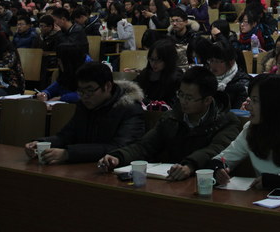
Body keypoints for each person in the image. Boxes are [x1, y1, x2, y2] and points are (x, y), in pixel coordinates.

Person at [98, 66, 241, 180]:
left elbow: (214, 150)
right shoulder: (171, 117)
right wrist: (118, 157)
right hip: (172, 180)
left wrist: (189, 166)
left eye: (189, 98)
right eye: (181, 94)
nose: (183, 101)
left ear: (207, 100)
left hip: (207, 183)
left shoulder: (227, 121)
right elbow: (145, 145)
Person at [25, 62, 145, 164]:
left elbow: (119, 148)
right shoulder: (84, 105)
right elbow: (66, 136)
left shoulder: (130, 109)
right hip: (83, 166)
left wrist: (68, 154)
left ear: (108, 86)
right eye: (81, 91)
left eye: (90, 90)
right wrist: (41, 143)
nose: (85, 96)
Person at [132, 39, 182, 108]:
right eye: (151, 59)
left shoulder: (176, 77)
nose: (154, 64)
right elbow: (132, 89)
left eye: (159, 60)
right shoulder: (146, 72)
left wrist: (145, 101)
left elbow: (172, 105)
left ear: (168, 60)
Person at [207, 38, 251, 109]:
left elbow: (238, 113)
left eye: (218, 61)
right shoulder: (207, 78)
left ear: (231, 62)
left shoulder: (242, 83)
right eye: (211, 60)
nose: (213, 65)